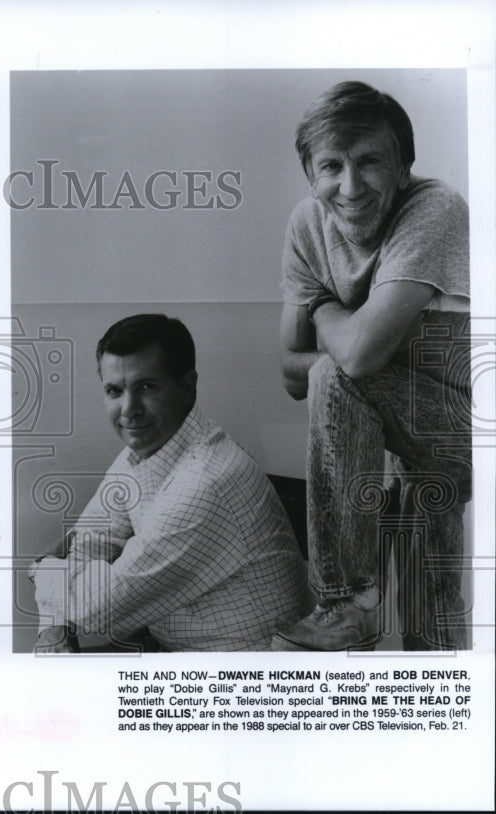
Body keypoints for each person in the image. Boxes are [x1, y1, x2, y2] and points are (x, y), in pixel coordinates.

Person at [273, 81, 472, 651]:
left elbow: (357, 357)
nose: (350, 185)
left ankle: (347, 599)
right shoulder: (307, 226)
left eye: (369, 162)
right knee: (431, 619)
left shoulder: (435, 207)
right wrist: (360, 335)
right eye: (331, 166)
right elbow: (289, 372)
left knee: (335, 372)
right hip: (396, 439)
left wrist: (323, 305)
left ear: (404, 167)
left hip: (466, 426)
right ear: (312, 175)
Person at [28, 314, 310, 652]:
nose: (129, 410)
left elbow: (100, 611)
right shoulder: (145, 449)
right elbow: (88, 543)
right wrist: (53, 627)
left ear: (187, 388)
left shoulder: (207, 481)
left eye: (147, 387)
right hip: (174, 653)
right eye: (114, 391)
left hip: (245, 679)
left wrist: (43, 569)